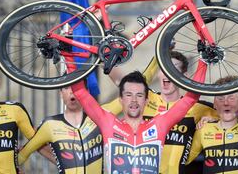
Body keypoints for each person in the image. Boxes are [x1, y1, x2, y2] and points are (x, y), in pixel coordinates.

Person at [109, 51, 238, 174]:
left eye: (173, 69)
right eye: (164, 69)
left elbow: (231, 114)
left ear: (184, 77)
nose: (167, 74)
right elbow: (123, 86)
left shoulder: (197, 107)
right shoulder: (143, 98)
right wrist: (158, 54)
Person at [70, 70, 200, 173]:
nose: (134, 100)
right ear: (120, 100)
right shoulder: (109, 123)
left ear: (146, 101)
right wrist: (69, 57)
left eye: (139, 95)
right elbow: (80, 92)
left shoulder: (159, 124)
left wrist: (203, 62)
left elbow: (190, 98)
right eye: (128, 95)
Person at [18, 85, 121, 173]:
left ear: (86, 92)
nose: (71, 91)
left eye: (76, 86)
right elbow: (22, 155)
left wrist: (106, 63)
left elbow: (130, 95)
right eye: (66, 87)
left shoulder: (101, 115)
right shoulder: (50, 125)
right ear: (60, 93)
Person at [186, 75, 238, 174]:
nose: (226, 103)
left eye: (231, 98)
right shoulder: (204, 128)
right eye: (220, 98)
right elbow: (184, 160)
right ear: (214, 104)